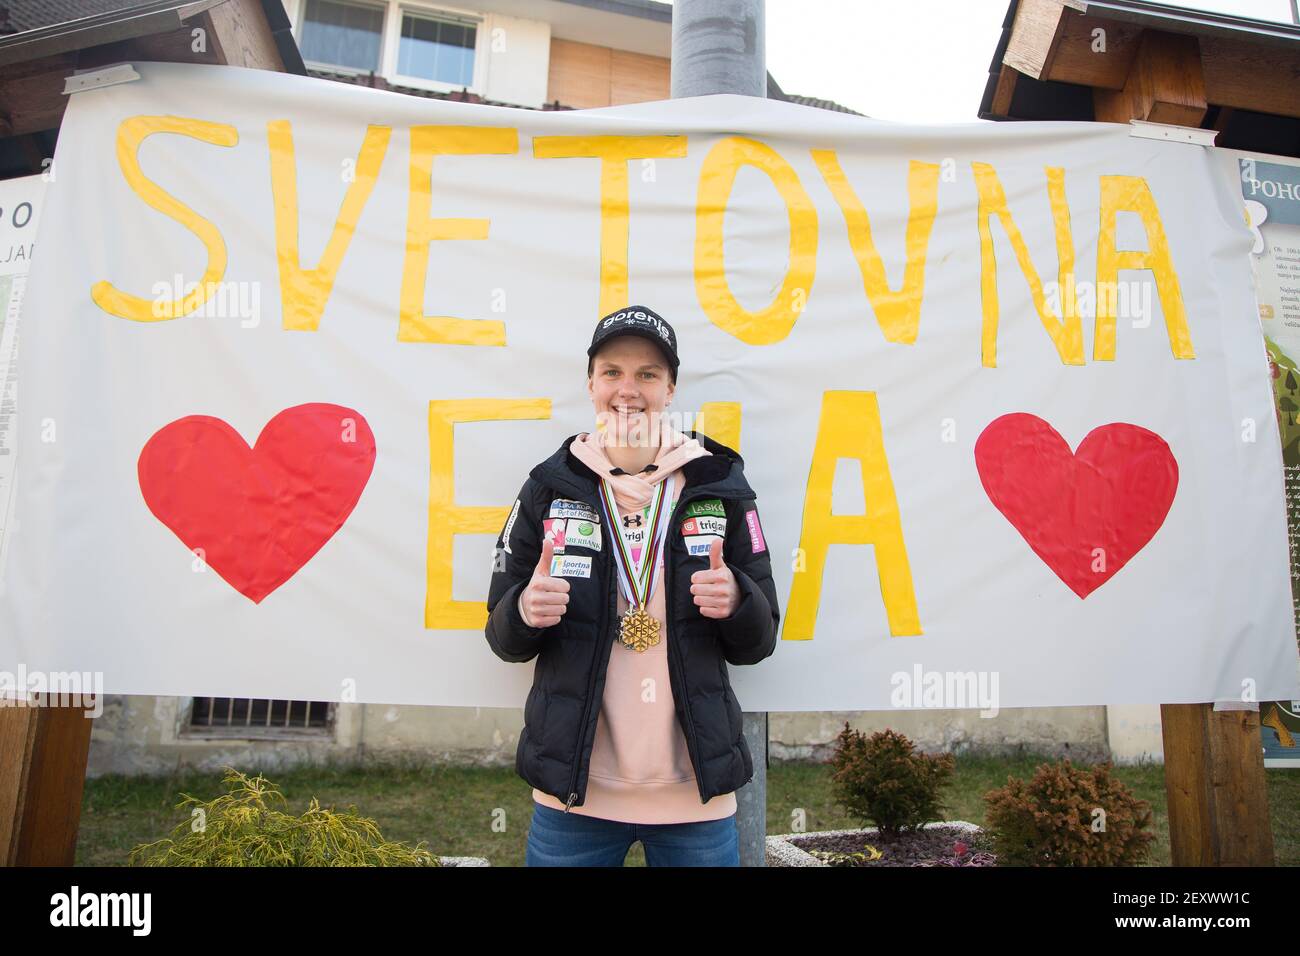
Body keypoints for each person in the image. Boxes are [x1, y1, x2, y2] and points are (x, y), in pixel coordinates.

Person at [485, 305, 780, 867]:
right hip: (573, 797)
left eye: (647, 374)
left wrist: (739, 601)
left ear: (671, 388)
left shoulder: (723, 484)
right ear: (591, 384)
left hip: (696, 797)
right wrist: (525, 610)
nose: (629, 389)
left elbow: (759, 641)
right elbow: (503, 636)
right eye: (612, 372)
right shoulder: (548, 486)